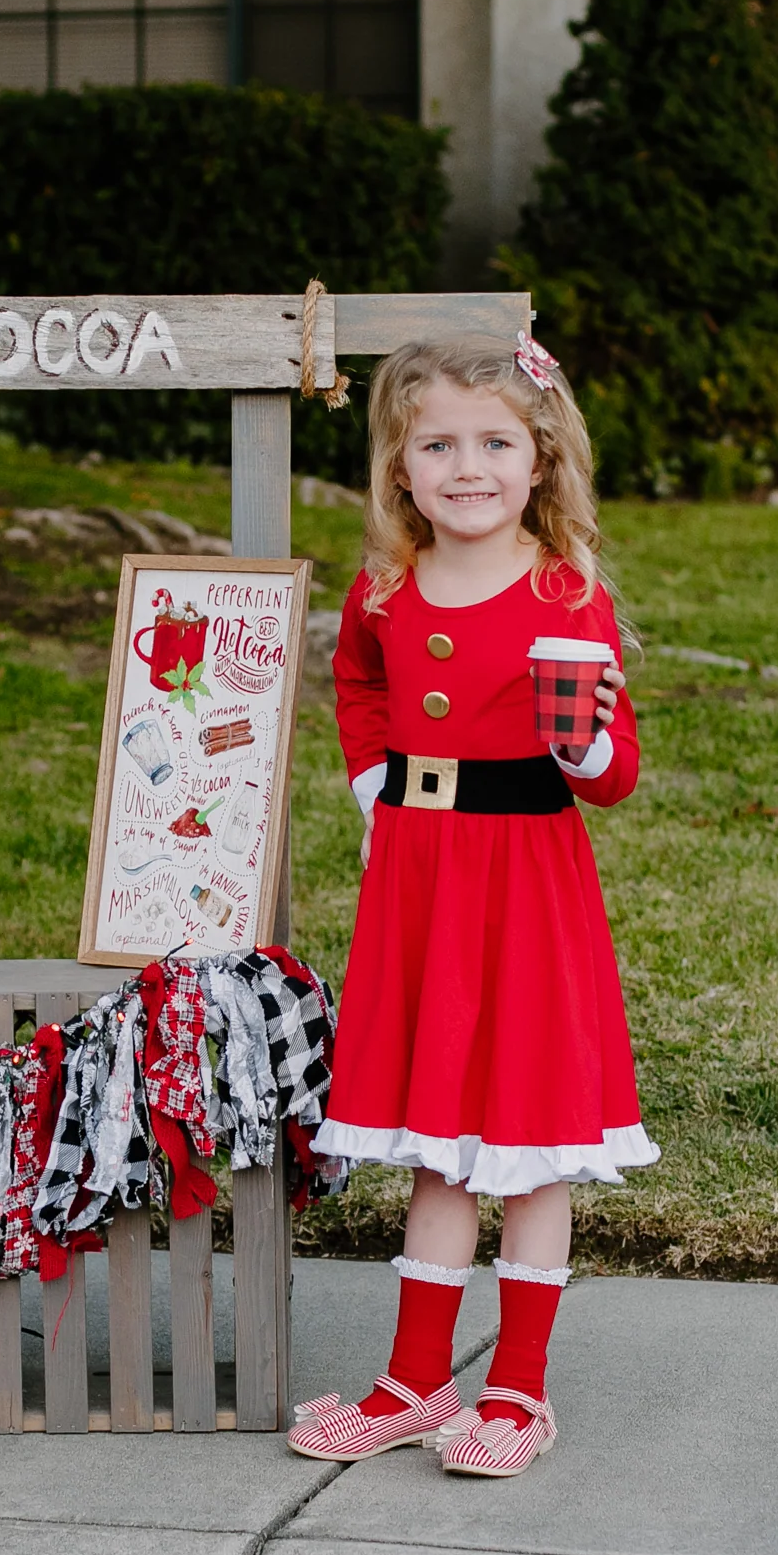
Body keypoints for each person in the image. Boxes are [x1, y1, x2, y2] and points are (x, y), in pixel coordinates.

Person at [289, 332, 656, 1478]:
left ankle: (517, 1390)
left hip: (526, 881)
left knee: (528, 1143)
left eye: (494, 443)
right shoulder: (385, 589)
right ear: (398, 465)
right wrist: (370, 782)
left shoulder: (564, 591)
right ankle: (410, 1380)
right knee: (437, 1140)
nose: (467, 467)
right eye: (436, 443)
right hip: (422, 877)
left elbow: (614, 767)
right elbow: (355, 680)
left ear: (538, 460)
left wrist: (587, 743)